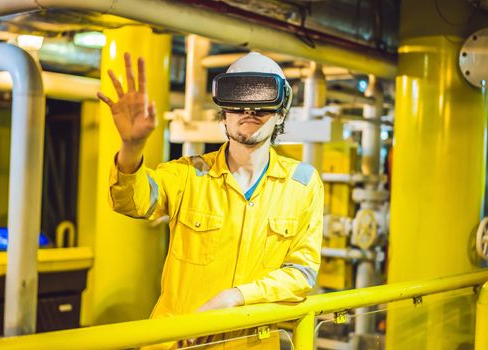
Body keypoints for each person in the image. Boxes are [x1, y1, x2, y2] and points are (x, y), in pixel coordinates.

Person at [98, 51, 324, 349]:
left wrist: (235, 297)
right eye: (238, 101)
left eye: (262, 103)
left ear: (281, 112)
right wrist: (131, 147)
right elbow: (134, 201)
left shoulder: (303, 183)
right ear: (223, 113)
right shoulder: (188, 174)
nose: (249, 110)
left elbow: (301, 274)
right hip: (179, 342)